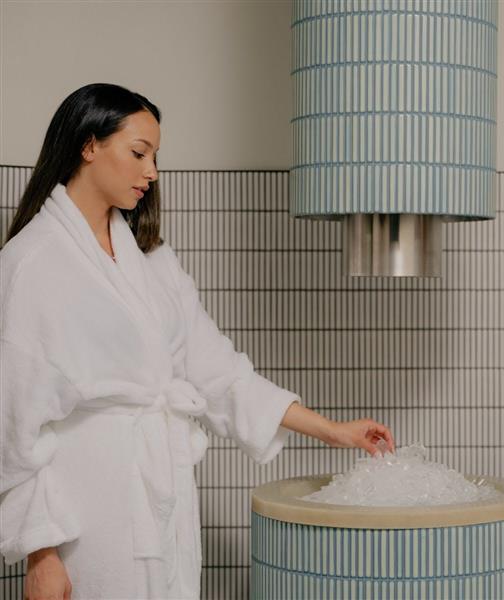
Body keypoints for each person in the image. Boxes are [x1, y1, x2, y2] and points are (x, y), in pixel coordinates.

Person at [0, 83, 396, 600]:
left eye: (156, 157)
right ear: (88, 145)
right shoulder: (30, 264)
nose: (152, 173)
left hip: (164, 497)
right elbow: (11, 422)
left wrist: (332, 431)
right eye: (139, 153)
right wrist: (41, 553)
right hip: (86, 511)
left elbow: (218, 371)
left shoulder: (151, 258)